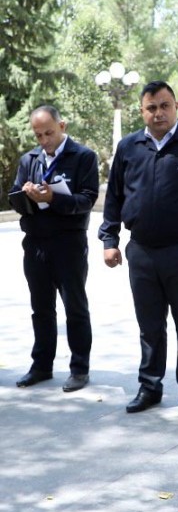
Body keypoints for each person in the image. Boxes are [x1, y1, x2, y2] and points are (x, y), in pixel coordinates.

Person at [98, 80, 178, 419]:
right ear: (142, 111)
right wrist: (109, 240)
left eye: (164, 105)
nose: (158, 113)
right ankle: (150, 386)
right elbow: (114, 197)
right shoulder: (129, 148)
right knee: (150, 324)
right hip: (141, 251)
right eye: (151, 107)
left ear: (176, 107)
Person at [11, 106, 99, 392]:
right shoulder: (29, 159)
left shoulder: (83, 157)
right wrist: (26, 195)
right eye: (38, 135)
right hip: (36, 244)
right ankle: (41, 366)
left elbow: (87, 199)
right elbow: (16, 201)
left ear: (62, 125)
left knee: (75, 307)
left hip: (69, 244)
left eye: (49, 132)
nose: (44, 140)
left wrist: (54, 198)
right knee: (41, 308)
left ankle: (79, 368)